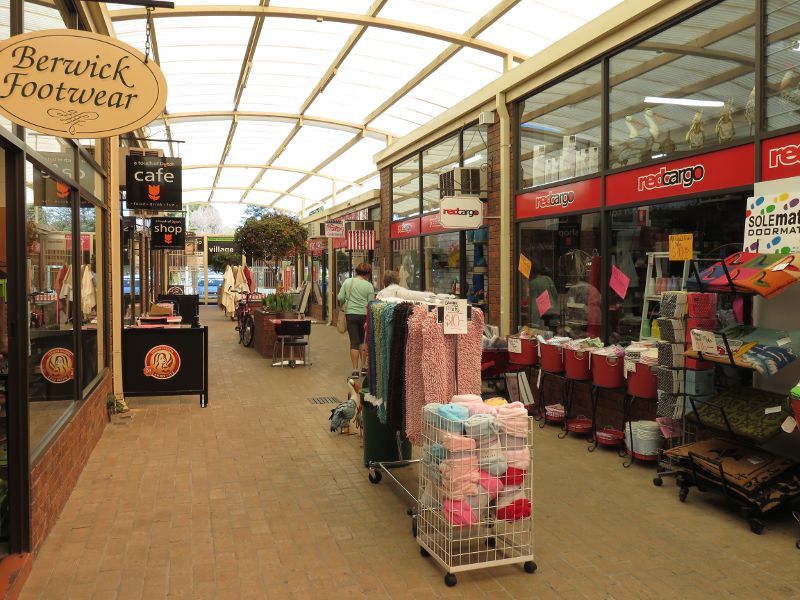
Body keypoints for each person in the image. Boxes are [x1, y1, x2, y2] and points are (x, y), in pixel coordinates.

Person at [338, 263, 375, 377]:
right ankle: (363, 367)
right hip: (364, 316)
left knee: (354, 342)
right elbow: (371, 303)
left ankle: (355, 370)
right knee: (363, 342)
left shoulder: (348, 282)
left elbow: (340, 297)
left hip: (351, 315)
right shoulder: (369, 286)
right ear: (367, 274)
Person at [529, 264, 559, 330]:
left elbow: (534, 302)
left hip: (542, 312)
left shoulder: (533, 283)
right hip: (552, 310)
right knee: (552, 330)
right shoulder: (548, 279)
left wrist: (533, 317)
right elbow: (555, 295)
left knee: (543, 330)